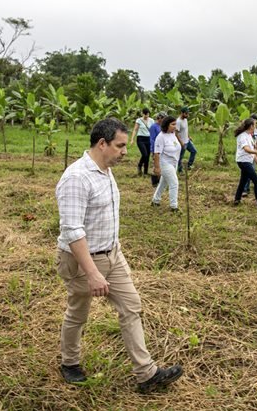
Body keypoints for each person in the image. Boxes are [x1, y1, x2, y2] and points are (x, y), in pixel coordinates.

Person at [56, 117, 183, 393]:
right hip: (81, 261)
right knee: (79, 312)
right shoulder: (77, 178)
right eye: (120, 145)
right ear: (102, 144)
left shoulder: (105, 169)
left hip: (113, 255)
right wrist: (91, 273)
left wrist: (114, 252)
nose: (126, 151)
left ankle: (146, 374)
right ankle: (69, 362)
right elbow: (72, 231)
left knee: (132, 306)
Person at [233, 118, 257, 210]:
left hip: (247, 161)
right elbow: (247, 149)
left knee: (243, 180)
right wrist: (256, 152)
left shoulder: (249, 135)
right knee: (256, 180)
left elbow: (252, 154)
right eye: (255, 125)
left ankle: (237, 199)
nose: (256, 126)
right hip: (243, 161)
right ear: (251, 126)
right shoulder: (242, 136)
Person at [152, 115, 182, 212]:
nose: (175, 126)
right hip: (164, 163)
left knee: (163, 182)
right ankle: (174, 206)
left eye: (175, 124)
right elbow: (156, 153)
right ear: (166, 125)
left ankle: (155, 200)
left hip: (174, 162)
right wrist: (157, 167)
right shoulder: (160, 137)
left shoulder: (173, 134)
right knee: (174, 183)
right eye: (173, 124)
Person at [241, 113, 257, 197]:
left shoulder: (256, 131)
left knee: (247, 173)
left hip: (254, 153)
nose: (255, 124)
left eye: (256, 122)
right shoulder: (246, 132)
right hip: (247, 154)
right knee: (249, 172)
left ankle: (244, 190)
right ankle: (245, 189)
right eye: (253, 122)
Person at [129, 108, 153, 176]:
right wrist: (132, 139)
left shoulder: (151, 120)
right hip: (140, 139)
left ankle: (145, 172)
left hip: (148, 139)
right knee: (144, 154)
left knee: (147, 156)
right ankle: (139, 165)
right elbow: (135, 130)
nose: (146, 116)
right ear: (142, 114)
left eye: (147, 114)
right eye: (145, 114)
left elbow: (153, 130)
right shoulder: (139, 120)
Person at [175, 107, 197, 172]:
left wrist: (188, 136)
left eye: (188, 113)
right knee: (180, 157)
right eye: (186, 114)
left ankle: (189, 165)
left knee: (194, 151)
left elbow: (186, 130)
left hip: (187, 140)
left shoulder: (185, 120)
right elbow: (176, 133)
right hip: (182, 142)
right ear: (182, 113)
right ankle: (180, 170)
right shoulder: (178, 122)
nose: (187, 115)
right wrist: (181, 142)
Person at [148, 112, 165, 187]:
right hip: (156, 148)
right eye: (163, 118)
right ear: (159, 118)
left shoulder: (162, 126)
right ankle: (155, 182)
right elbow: (152, 139)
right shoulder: (153, 127)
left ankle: (160, 180)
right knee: (156, 164)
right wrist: (153, 150)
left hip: (162, 148)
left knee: (161, 164)